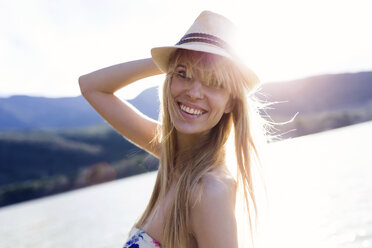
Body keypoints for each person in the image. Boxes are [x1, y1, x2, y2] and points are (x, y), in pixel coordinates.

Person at [79, 10, 272, 248]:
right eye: (184, 74)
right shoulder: (172, 154)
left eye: (214, 82)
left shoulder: (209, 190)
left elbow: (91, 87)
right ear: (169, 79)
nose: (193, 92)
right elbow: (90, 86)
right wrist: (170, 60)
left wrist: (180, 62)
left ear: (230, 102)